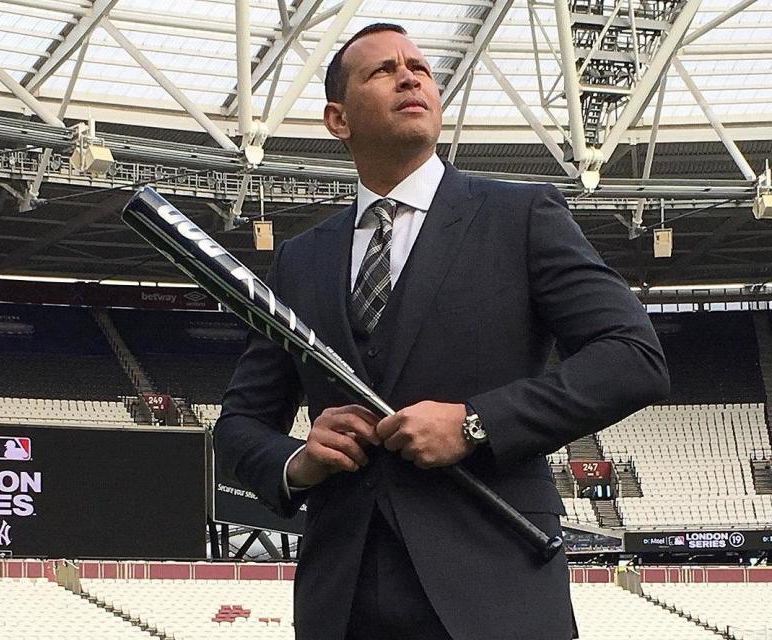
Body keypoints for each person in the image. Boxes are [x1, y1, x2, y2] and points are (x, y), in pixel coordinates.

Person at [213, 23, 669, 640]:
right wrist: (299, 459)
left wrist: (475, 423)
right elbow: (239, 427)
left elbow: (633, 357)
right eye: (381, 71)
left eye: (419, 68)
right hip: (341, 600)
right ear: (337, 119)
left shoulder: (521, 216)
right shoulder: (300, 259)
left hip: (495, 589)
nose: (409, 76)